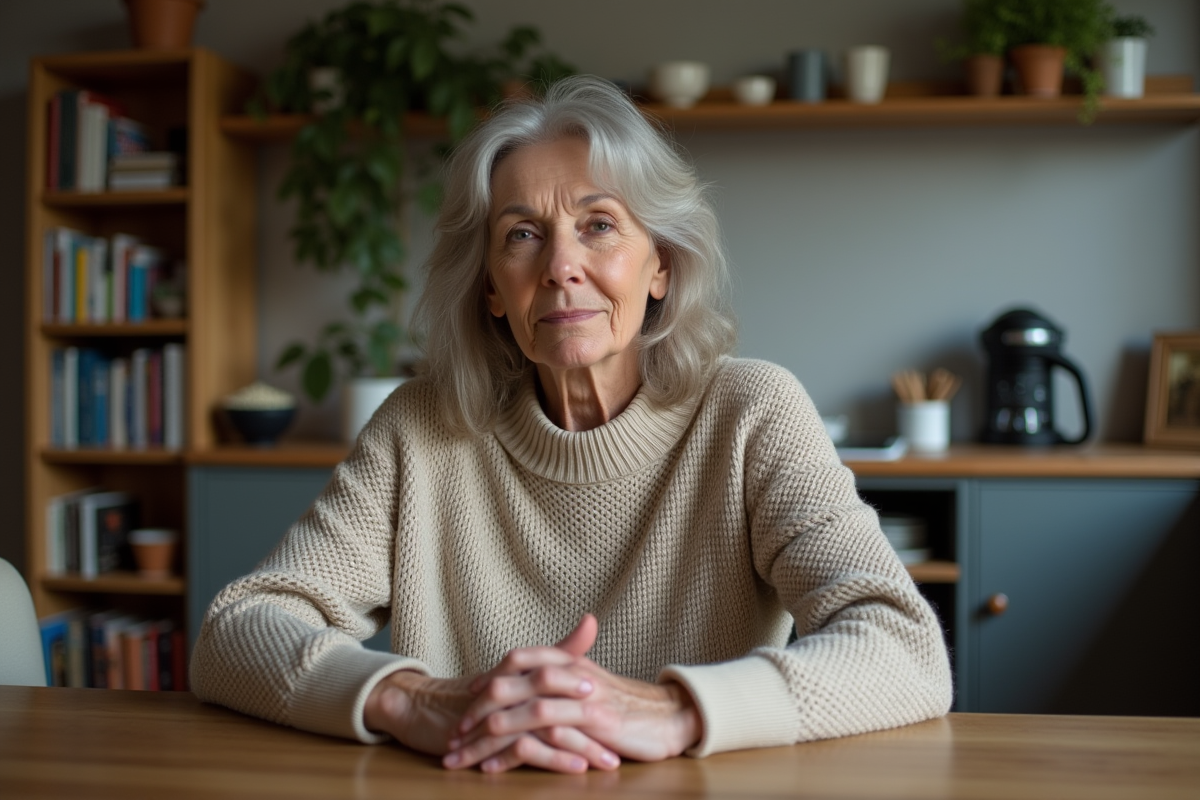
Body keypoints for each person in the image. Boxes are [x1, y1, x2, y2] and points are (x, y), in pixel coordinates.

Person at [190, 75, 952, 775]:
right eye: (523, 234)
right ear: (492, 287)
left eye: (599, 225)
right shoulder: (419, 430)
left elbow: (905, 648)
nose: (560, 266)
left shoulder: (752, 412)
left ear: (660, 266)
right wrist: (414, 699)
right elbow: (238, 630)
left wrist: (674, 710)